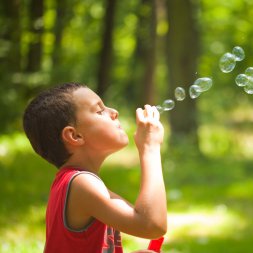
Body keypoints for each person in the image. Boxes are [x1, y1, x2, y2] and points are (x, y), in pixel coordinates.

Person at [23, 82, 166, 253]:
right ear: (75, 136)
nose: (114, 112)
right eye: (100, 111)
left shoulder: (76, 182)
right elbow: (151, 225)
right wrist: (150, 147)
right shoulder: (81, 183)